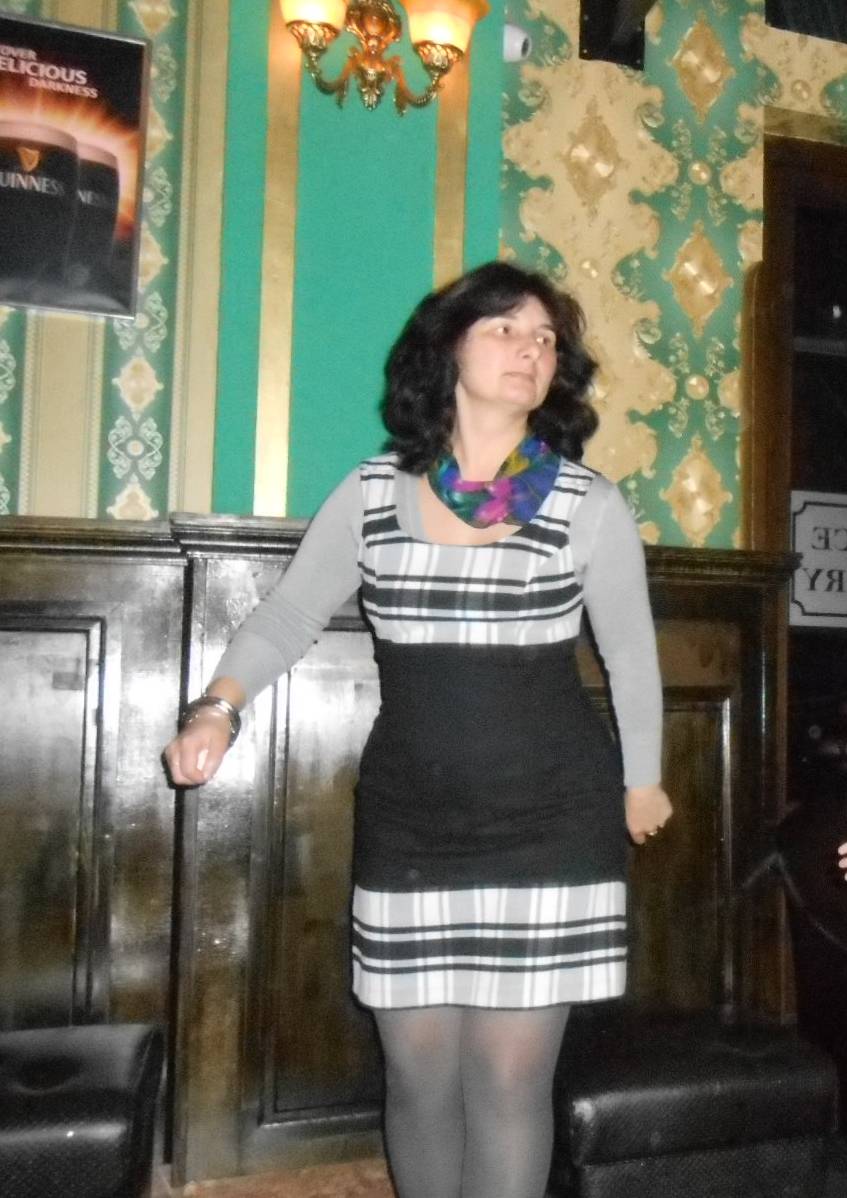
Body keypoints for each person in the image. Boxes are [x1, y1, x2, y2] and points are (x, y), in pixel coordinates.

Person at [163, 261, 671, 1198]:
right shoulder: (371, 492)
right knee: (420, 1077)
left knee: (510, 1082)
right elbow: (288, 615)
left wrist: (643, 778)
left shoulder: (589, 503)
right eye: (505, 329)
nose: (530, 350)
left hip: (553, 823)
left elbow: (631, 654)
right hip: (412, 825)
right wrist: (217, 709)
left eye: (546, 339)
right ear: (447, 349)